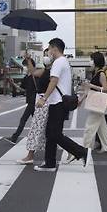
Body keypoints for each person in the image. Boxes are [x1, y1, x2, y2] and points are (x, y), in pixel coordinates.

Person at [34, 38, 89, 172]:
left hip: (57, 102)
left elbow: (53, 81)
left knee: (55, 134)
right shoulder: (64, 62)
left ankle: (80, 151)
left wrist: (44, 98)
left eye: (49, 49)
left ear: (55, 48)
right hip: (59, 102)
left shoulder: (58, 62)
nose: (48, 52)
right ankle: (50, 163)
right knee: (51, 134)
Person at [16, 57, 51, 164]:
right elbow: (33, 72)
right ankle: (70, 151)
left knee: (36, 129)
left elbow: (33, 71)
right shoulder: (46, 71)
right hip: (43, 102)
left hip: (43, 102)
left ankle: (30, 156)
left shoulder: (51, 72)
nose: (46, 56)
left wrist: (29, 61)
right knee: (50, 131)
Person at [81, 52, 107, 154]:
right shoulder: (96, 72)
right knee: (102, 127)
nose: (90, 62)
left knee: (90, 126)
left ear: (96, 61)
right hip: (97, 103)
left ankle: (85, 148)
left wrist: (91, 85)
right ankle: (106, 147)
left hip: (98, 103)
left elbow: (104, 88)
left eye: (92, 59)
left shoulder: (101, 73)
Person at [4, 56, 38, 145]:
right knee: (37, 122)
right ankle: (51, 138)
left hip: (35, 102)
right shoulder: (27, 77)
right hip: (31, 102)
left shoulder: (36, 76)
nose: (25, 68)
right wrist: (13, 84)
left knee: (25, 120)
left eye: (26, 66)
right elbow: (22, 89)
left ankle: (14, 138)